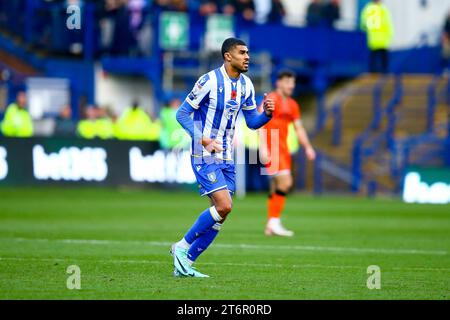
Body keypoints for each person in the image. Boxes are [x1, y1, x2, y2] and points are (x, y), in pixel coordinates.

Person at [171, 37, 275, 277]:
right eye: (242, 52)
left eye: (248, 52)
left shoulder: (247, 85)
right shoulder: (208, 81)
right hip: (204, 153)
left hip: (227, 156)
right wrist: (203, 139)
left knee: (221, 214)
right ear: (228, 56)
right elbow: (182, 114)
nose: (247, 56)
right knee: (224, 205)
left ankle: (186, 263)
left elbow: (252, 123)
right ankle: (182, 247)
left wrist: (267, 114)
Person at [259, 70, 316, 237]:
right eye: (288, 82)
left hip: (283, 148)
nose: (291, 85)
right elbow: (260, 123)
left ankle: (271, 225)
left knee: (276, 186)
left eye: (293, 82)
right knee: (286, 183)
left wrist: (308, 147)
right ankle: (274, 222)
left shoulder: (292, 104)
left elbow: (299, 128)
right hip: (271, 148)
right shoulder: (271, 99)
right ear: (279, 83)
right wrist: (262, 147)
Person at [360, 0, 394, 74]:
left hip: (372, 38)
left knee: (373, 57)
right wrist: (390, 35)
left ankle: (372, 72)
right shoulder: (383, 9)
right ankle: (384, 73)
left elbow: (363, 24)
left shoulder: (367, 9)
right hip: (383, 38)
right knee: (383, 58)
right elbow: (388, 23)